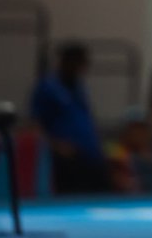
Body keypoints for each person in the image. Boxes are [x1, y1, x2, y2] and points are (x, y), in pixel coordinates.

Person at [30, 42, 109, 194]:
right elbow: (36, 124)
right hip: (67, 158)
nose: (82, 69)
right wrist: (55, 146)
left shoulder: (79, 88)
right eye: (79, 63)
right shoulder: (48, 88)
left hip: (90, 155)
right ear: (66, 61)